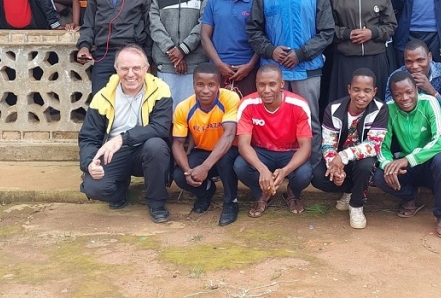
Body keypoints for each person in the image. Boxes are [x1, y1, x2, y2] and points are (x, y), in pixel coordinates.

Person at [247, 0, 333, 164]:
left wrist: (301, 53)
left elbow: (327, 32)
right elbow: (253, 30)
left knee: (309, 119)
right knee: (275, 120)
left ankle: (311, 168)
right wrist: (270, 50)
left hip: (308, 69)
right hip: (274, 72)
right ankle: (279, 165)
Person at [78, 44, 174, 223]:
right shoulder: (103, 95)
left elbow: (160, 128)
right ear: (116, 69)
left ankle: (156, 202)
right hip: (113, 153)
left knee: (157, 146)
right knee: (94, 188)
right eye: (125, 68)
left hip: (145, 149)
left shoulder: (160, 89)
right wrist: (89, 163)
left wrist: (123, 138)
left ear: (146, 69)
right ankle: (120, 192)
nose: (131, 74)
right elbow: (88, 137)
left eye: (136, 68)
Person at [373, 71, 441, 238]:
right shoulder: (388, 109)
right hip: (406, 168)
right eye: (398, 94)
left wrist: (409, 159)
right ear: (393, 96)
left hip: (428, 164)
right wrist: (387, 164)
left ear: (417, 89)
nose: (404, 98)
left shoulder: (429, 102)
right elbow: (381, 146)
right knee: (379, 176)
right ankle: (409, 197)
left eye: (409, 92)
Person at [234, 63, 314, 218]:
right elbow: (243, 144)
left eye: (272, 84)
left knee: (305, 173)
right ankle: (263, 194)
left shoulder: (299, 105)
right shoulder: (247, 104)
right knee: (240, 166)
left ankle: (293, 193)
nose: (266, 90)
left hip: (290, 151)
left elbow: (306, 147)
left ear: (282, 84)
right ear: (256, 84)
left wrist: (285, 171)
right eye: (262, 85)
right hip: (262, 151)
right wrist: (262, 169)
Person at [312, 69, 388, 229]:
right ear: (349, 89)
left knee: (366, 165)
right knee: (318, 176)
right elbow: (328, 144)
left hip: (360, 158)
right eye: (356, 89)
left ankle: (356, 205)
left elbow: (374, 145)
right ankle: (350, 191)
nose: (361, 95)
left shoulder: (380, 109)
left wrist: (344, 156)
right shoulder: (333, 109)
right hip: (340, 160)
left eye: (367, 90)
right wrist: (335, 168)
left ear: (374, 92)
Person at [76, 0, 153, 94]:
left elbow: (150, 26)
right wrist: (84, 46)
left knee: (132, 102)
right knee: (101, 103)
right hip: (104, 54)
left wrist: (147, 59)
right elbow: (89, 22)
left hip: (132, 54)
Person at [171, 63, 241, 226]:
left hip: (228, 150)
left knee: (225, 159)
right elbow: (177, 143)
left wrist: (205, 167)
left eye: (211, 85)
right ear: (193, 84)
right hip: (202, 151)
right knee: (179, 175)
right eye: (200, 84)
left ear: (219, 85)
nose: (205, 90)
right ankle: (206, 192)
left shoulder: (230, 98)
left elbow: (230, 134)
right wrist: (189, 171)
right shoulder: (183, 107)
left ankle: (231, 202)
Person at [328, 0, 397, 102]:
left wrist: (372, 33)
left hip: (375, 58)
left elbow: (391, 26)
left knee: (375, 102)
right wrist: (347, 33)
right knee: (346, 101)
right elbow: (327, 28)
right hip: (346, 58)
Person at [150, 0, 211, 103]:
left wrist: (183, 50)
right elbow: (154, 23)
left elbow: (204, 22)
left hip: (194, 62)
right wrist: (172, 51)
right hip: (166, 61)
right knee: (167, 110)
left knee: (191, 110)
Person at [201, 0, 259, 96]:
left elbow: (262, 37)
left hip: (248, 69)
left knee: (245, 112)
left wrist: (249, 66)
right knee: (219, 112)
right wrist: (219, 64)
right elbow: (205, 37)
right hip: (218, 68)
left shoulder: (254, 3)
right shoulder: (214, 3)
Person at [385, 39, 441, 103]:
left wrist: (432, 91)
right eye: (409, 62)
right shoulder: (396, 78)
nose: (414, 66)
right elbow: (390, 108)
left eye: (420, 60)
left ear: (429, 57)